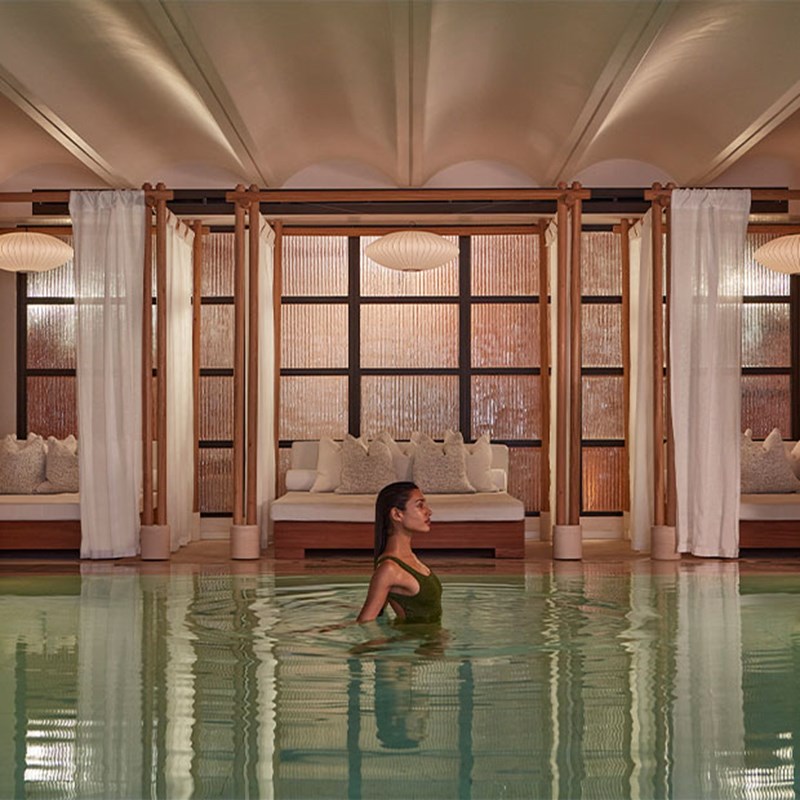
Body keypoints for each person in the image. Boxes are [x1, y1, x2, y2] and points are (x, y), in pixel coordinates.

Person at [356, 481, 442, 624]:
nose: (429, 511)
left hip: (430, 642)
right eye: (420, 505)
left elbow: (380, 613)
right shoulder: (389, 569)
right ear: (397, 514)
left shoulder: (410, 558)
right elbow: (364, 623)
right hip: (415, 644)